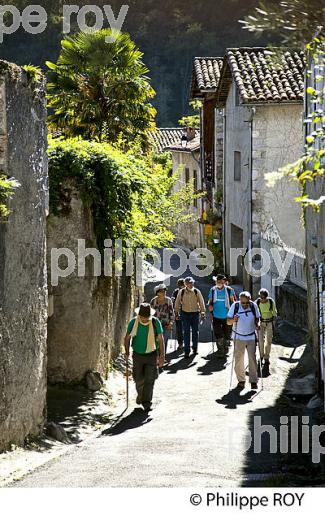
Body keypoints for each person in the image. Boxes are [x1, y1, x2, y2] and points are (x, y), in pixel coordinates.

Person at [124, 303, 165, 413]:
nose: (145, 319)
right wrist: (127, 351)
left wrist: (162, 356)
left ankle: (146, 402)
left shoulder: (155, 322)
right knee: (138, 379)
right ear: (139, 315)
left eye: (147, 317)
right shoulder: (133, 322)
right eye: (143, 317)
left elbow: (161, 340)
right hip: (137, 355)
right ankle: (141, 396)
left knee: (150, 379)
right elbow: (127, 338)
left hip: (152, 354)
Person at [227, 291, 260, 390]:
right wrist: (234, 319)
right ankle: (241, 380)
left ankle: (253, 381)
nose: (245, 305)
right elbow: (228, 322)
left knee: (252, 359)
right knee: (238, 360)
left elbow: (257, 318)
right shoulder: (235, 306)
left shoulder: (253, 306)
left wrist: (257, 324)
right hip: (238, 336)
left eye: (247, 303)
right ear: (240, 300)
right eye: (243, 303)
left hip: (251, 336)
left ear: (249, 300)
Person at [175, 277, 206, 358]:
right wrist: (176, 313)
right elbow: (177, 302)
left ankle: (195, 349)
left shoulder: (196, 291)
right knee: (186, 332)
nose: (191, 284)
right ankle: (187, 351)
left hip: (195, 314)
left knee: (195, 332)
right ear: (185, 284)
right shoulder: (181, 292)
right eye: (189, 283)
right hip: (185, 314)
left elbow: (201, 302)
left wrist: (203, 313)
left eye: (192, 283)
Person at [208, 274, 236, 358]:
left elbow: (233, 301)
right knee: (218, 333)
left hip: (227, 316)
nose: (219, 283)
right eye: (217, 281)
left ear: (224, 282)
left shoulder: (229, 290)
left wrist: (234, 313)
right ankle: (220, 350)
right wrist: (210, 307)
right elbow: (210, 301)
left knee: (227, 334)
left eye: (220, 281)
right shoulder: (212, 290)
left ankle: (226, 346)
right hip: (216, 315)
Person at [150, 284, 175, 357]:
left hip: (166, 325)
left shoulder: (168, 300)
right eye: (161, 291)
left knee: (164, 341)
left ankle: (162, 357)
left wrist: (171, 323)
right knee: (156, 341)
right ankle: (156, 357)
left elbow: (171, 313)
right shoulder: (153, 301)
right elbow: (149, 314)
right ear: (157, 293)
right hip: (155, 325)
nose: (164, 292)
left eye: (164, 291)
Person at [255, 289, 277, 369]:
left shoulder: (271, 301)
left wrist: (274, 321)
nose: (262, 299)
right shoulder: (257, 302)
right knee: (260, 341)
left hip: (269, 323)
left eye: (264, 297)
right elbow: (254, 312)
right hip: (261, 323)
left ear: (266, 297)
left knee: (269, 341)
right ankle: (261, 356)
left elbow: (274, 312)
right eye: (261, 297)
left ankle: (266, 357)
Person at [172, 279, 185, 352]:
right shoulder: (176, 292)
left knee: (180, 329)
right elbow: (173, 301)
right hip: (180, 312)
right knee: (180, 328)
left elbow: (172, 301)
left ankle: (181, 343)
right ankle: (181, 343)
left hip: (182, 312)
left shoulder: (176, 291)